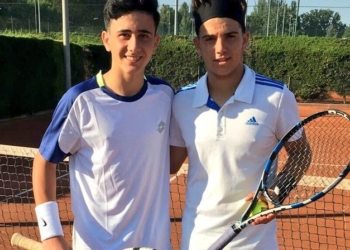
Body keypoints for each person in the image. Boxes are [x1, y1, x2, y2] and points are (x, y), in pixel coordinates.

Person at [32, 0, 173, 249]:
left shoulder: (165, 96)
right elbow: (44, 162)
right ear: (106, 39)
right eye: (124, 35)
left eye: (143, 36)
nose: (134, 46)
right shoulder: (79, 100)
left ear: (155, 42)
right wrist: (51, 234)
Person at [169, 0, 304, 249]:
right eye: (209, 39)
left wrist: (276, 193)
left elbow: (301, 154)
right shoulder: (181, 101)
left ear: (245, 39)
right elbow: (168, 165)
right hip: (196, 241)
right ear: (197, 45)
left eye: (230, 36)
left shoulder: (276, 97)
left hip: (256, 244)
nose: (220, 48)